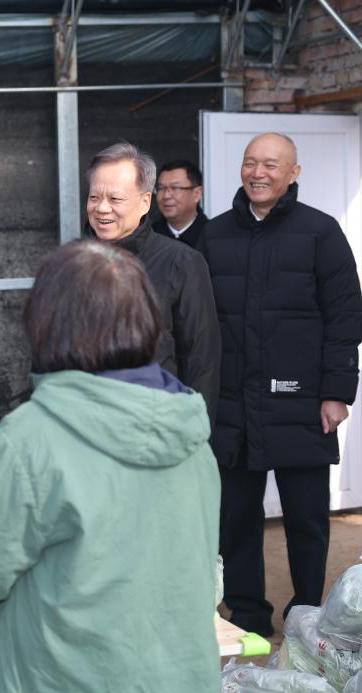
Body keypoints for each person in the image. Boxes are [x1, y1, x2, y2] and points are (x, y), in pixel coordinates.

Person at [0, 240, 221, 693]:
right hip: (183, 674)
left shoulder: (32, 435)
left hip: (67, 676)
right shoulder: (188, 425)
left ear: (49, 322)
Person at [200, 132, 362, 637]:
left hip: (302, 402)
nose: (258, 173)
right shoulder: (215, 234)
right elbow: (197, 323)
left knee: (307, 519)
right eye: (250, 162)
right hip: (232, 404)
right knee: (236, 517)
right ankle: (248, 612)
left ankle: (305, 613)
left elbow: (345, 316)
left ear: (294, 172)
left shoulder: (320, 231)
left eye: (271, 164)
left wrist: (337, 392)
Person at [86, 141, 221, 421]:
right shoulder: (73, 264)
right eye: (94, 197)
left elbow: (201, 360)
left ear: (145, 202)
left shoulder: (181, 262)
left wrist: (193, 431)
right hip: (86, 423)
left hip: (155, 424)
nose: (102, 208)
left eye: (115, 199)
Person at [152, 159, 208, 248]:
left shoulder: (212, 236)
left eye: (175, 188)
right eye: (161, 188)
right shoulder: (149, 237)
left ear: (196, 194)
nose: (166, 196)